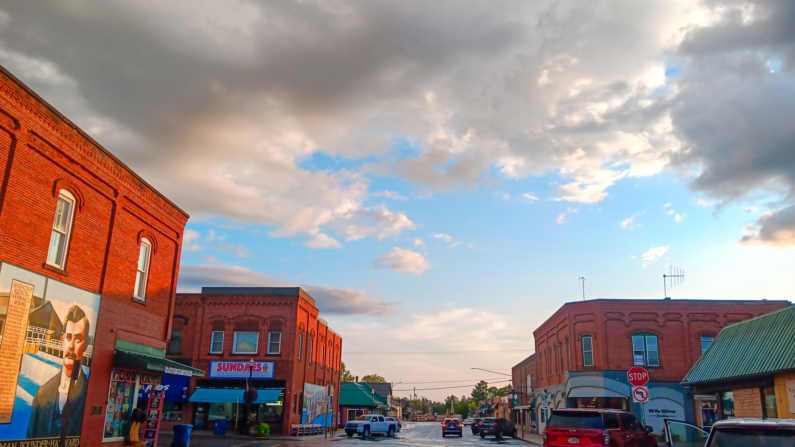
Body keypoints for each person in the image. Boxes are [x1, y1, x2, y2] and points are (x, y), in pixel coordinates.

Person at [27, 305, 90, 439]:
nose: (71, 346)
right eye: (68, 337)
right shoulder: (41, 395)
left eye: (78, 338)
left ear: (86, 345)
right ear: (62, 340)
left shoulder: (90, 397)